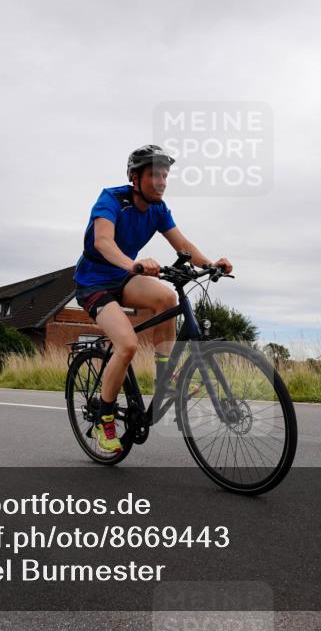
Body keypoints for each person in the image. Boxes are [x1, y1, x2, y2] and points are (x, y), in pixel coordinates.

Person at [74, 144, 233, 453]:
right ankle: (103, 418)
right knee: (128, 345)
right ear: (135, 178)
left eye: (165, 175)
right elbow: (103, 241)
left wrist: (211, 264)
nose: (161, 181)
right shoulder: (111, 200)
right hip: (94, 283)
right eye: (154, 175)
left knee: (167, 298)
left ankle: (165, 376)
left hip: (123, 278)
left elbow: (183, 244)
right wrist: (133, 264)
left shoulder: (158, 209)